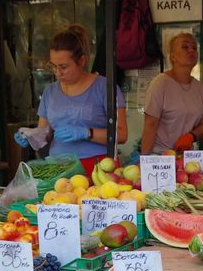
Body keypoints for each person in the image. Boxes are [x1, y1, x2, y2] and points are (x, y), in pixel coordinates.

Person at [13, 25, 127, 174]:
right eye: (53, 66)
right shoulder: (50, 91)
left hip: (98, 167)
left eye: (64, 67)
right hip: (58, 168)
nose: (57, 73)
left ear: (82, 61)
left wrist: (87, 133)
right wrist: (31, 135)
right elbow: (45, 133)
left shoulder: (105, 88)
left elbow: (122, 134)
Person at [141, 33, 203, 155]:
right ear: (173, 56)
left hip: (186, 156)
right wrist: (145, 159)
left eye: (194, 47)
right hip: (160, 156)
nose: (191, 50)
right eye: (185, 47)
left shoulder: (199, 87)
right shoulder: (160, 83)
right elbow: (150, 124)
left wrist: (191, 136)